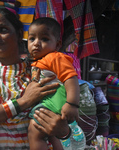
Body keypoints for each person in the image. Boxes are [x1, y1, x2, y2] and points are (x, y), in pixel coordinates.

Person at [0, 8, 71, 150]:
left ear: (19, 35)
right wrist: (23, 102)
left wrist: (64, 131)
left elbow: (58, 115)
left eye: (3, 29)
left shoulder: (39, 72)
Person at [27, 17, 80, 150]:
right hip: (51, 103)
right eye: (32, 39)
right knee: (53, 135)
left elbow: (71, 79)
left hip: (56, 103)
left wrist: (72, 104)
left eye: (44, 39)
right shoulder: (39, 60)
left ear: (57, 44)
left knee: (34, 130)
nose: (36, 43)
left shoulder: (55, 57)